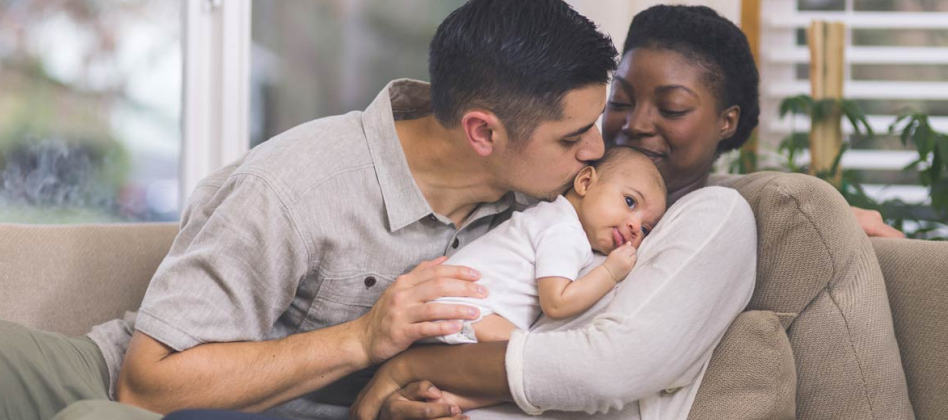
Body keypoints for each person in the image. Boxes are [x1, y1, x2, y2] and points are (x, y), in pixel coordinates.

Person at [0, 1, 619, 419]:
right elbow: (146, 385)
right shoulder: (295, 188)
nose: (596, 151)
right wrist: (363, 337)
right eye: (574, 137)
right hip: (139, 381)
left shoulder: (546, 207)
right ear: (482, 132)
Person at [351, 4, 907, 420]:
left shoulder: (719, 213)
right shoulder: (551, 192)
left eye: (672, 107)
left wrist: (412, 367)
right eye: (619, 101)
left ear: (727, 122)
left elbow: (604, 367)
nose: (636, 124)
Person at [428, 147, 666, 345]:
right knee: (531, 354)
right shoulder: (564, 230)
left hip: (447, 310)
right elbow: (557, 302)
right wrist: (610, 272)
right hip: (466, 313)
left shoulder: (550, 216)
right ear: (585, 182)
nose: (635, 226)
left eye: (646, 229)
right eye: (630, 202)